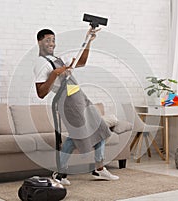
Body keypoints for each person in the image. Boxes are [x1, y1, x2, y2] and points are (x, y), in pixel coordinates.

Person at [34, 28, 119, 186]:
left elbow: (81, 61)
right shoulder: (40, 64)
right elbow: (41, 93)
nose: (51, 43)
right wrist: (54, 74)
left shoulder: (57, 59)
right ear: (39, 42)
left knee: (100, 127)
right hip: (67, 101)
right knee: (76, 136)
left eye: (53, 40)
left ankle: (99, 169)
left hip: (79, 96)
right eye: (47, 40)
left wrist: (88, 41)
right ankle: (61, 173)